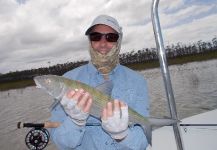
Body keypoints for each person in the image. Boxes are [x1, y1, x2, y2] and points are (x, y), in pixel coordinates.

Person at [50, 14, 149, 150]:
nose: (103, 44)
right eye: (96, 36)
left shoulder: (138, 81)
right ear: (89, 41)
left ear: (118, 42)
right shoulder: (67, 80)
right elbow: (61, 143)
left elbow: (141, 144)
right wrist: (75, 122)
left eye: (111, 37)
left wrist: (123, 135)